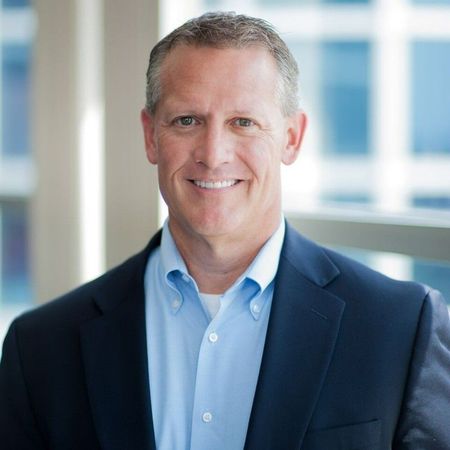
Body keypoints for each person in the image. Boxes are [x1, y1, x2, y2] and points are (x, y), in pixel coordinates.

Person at [1, 11, 450, 450]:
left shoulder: (401, 328)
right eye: (187, 120)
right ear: (150, 136)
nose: (213, 154)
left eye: (244, 122)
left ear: (292, 138)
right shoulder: (41, 348)